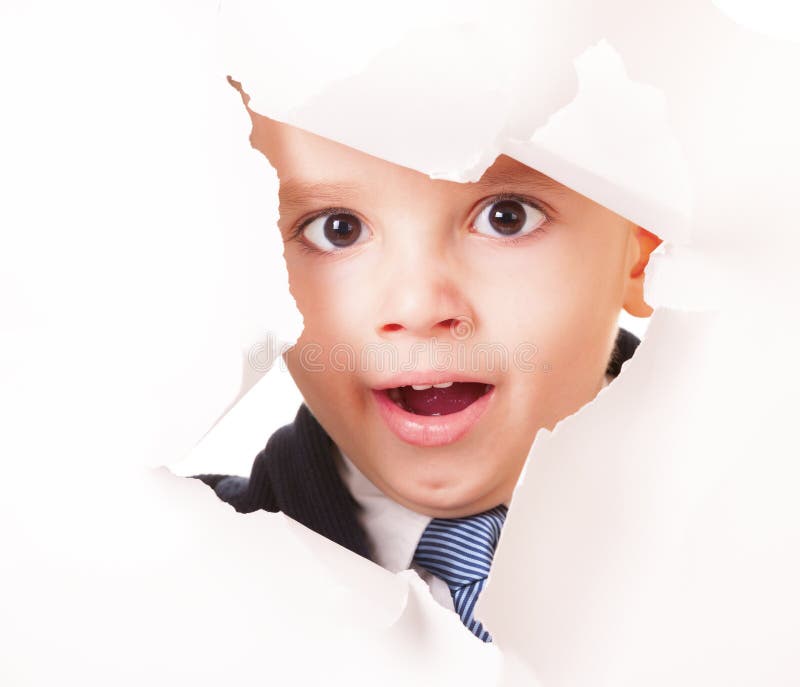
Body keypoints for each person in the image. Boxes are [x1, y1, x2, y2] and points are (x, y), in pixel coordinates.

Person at [195, 82, 660, 642]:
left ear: (643, 241)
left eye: (506, 217)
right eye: (337, 230)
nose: (417, 307)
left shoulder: (770, 550)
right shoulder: (161, 582)